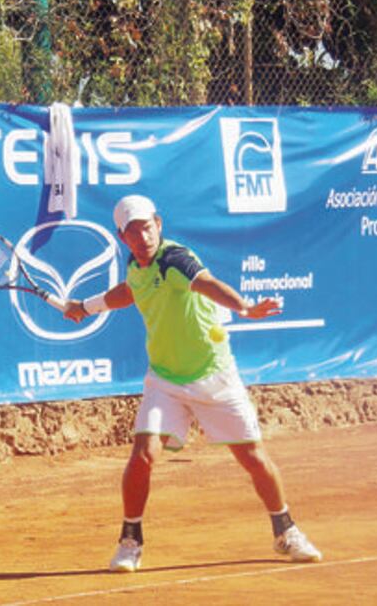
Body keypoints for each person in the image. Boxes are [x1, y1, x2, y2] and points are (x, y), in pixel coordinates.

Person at [64, 194, 322, 573]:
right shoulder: (137, 265)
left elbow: (209, 284)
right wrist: (85, 307)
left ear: (159, 224)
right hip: (164, 380)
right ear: (123, 237)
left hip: (214, 375)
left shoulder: (175, 259)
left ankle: (286, 530)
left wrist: (245, 308)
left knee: (252, 458)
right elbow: (130, 292)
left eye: (147, 227)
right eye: (133, 232)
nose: (143, 237)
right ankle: (130, 541)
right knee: (142, 455)